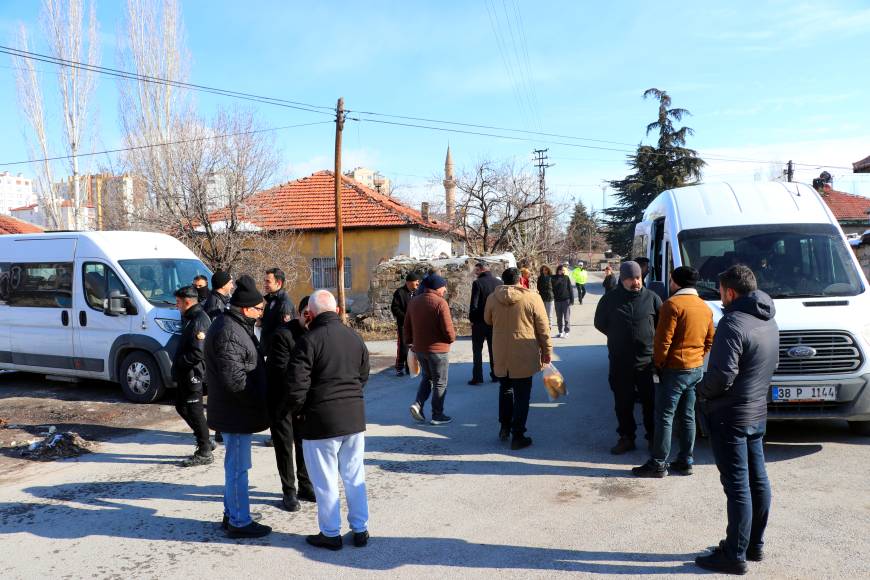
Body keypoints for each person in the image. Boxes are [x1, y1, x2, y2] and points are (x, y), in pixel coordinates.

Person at [695, 265, 778, 575]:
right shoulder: (768, 319)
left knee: (738, 486)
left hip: (730, 414)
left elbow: (721, 376)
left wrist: (700, 390)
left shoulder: (732, 323)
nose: (720, 298)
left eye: (720, 292)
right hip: (756, 411)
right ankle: (753, 545)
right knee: (757, 480)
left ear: (729, 292)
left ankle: (734, 554)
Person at [288, 290, 371, 551]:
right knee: (354, 476)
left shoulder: (308, 341)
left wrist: (299, 411)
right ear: (336, 311)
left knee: (325, 481)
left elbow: (296, 386)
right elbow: (363, 375)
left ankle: (330, 533)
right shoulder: (355, 338)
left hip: (321, 421)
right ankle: (360, 529)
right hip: (354, 418)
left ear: (310, 314)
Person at [204, 274, 271, 539]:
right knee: (237, 468)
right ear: (245, 308)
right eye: (258, 309)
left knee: (236, 466)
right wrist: (259, 399)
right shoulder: (229, 331)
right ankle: (239, 521)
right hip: (236, 411)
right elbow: (236, 381)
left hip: (236, 410)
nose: (261, 313)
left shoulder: (235, 325)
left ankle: (232, 512)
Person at [632, 266, 714, 478]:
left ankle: (658, 463)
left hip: (675, 368)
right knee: (687, 416)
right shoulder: (704, 307)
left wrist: (659, 364)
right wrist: (698, 358)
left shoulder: (672, 304)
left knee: (665, 416)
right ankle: (686, 461)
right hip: (695, 368)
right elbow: (709, 340)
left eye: (671, 280)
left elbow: (662, 341)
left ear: (676, 283)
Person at [593, 261, 662, 455]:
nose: (636, 282)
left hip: (647, 362)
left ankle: (652, 437)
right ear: (622, 280)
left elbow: (661, 323)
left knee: (650, 403)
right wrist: (617, 336)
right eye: (631, 279)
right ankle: (626, 437)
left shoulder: (652, 298)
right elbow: (600, 323)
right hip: (620, 361)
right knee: (623, 402)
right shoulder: (609, 300)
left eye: (638, 278)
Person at [485, 267, 552, 450]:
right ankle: (518, 434)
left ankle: (504, 427)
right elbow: (543, 328)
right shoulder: (532, 298)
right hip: (524, 351)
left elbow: (487, 319)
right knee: (522, 396)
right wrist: (547, 351)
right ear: (520, 280)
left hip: (501, 352)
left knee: (505, 389)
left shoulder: (492, 298)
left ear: (503, 281)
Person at [266, 295, 315, 511]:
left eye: (314, 314)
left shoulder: (317, 333)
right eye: (306, 314)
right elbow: (281, 371)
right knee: (285, 446)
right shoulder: (283, 335)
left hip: (305, 400)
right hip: (282, 400)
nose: (310, 318)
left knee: (304, 444)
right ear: (300, 313)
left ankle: (305, 484)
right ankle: (289, 491)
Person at [404, 274, 456, 425]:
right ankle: (437, 415)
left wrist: (409, 342)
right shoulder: (440, 303)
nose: (445, 289)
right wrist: (451, 339)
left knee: (427, 377)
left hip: (420, 349)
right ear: (436, 287)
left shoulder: (414, 302)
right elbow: (448, 330)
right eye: (443, 286)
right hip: (438, 350)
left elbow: (406, 326)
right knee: (440, 382)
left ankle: (418, 404)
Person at [172, 286, 214, 467]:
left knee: (194, 410)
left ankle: (204, 450)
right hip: (186, 373)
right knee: (181, 406)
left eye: (178, 302)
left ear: (187, 302)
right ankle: (204, 438)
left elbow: (198, 352)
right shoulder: (189, 317)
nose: (176, 306)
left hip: (193, 373)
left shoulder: (198, 320)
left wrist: (180, 362)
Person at [468, 262, 499, 384]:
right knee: (494, 350)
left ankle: (477, 377)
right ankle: (496, 375)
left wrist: (472, 320)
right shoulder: (499, 283)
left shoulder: (477, 283)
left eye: (476, 269)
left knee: (477, 350)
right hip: (494, 322)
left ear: (481, 269)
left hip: (479, 322)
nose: (475, 272)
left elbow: (474, 304)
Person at [390, 273, 420, 376]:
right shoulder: (400, 292)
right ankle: (399, 367)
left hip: (415, 325)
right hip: (403, 325)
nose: (418, 283)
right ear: (408, 282)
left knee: (413, 346)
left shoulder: (417, 293)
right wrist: (406, 317)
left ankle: (410, 367)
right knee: (403, 346)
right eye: (415, 281)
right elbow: (395, 308)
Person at [260, 267, 295, 353]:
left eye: (268, 281)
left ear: (278, 283)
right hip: (269, 352)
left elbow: (284, 334)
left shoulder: (284, 304)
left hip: (277, 354)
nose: (265, 284)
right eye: (265, 281)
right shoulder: (272, 300)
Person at [551, 264, 573, 338]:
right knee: (559, 317)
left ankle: (567, 331)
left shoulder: (566, 278)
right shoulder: (553, 278)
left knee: (566, 317)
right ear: (558, 270)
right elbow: (551, 288)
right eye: (561, 270)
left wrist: (572, 299)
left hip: (566, 300)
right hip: (557, 300)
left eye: (563, 270)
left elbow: (570, 289)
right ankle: (560, 332)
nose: (562, 271)